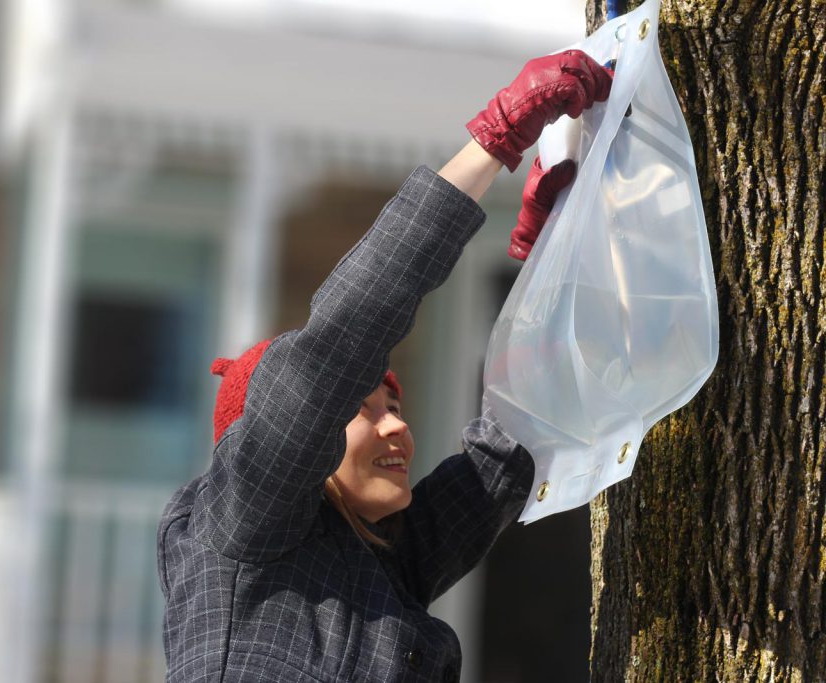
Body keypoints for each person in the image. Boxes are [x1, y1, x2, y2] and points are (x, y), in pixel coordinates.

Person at [158, 50, 613, 682]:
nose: (397, 428)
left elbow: (513, 445)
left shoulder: (383, 567)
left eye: (393, 408)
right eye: (360, 409)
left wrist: (546, 267)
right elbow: (345, 339)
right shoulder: (241, 527)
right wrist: (495, 139)